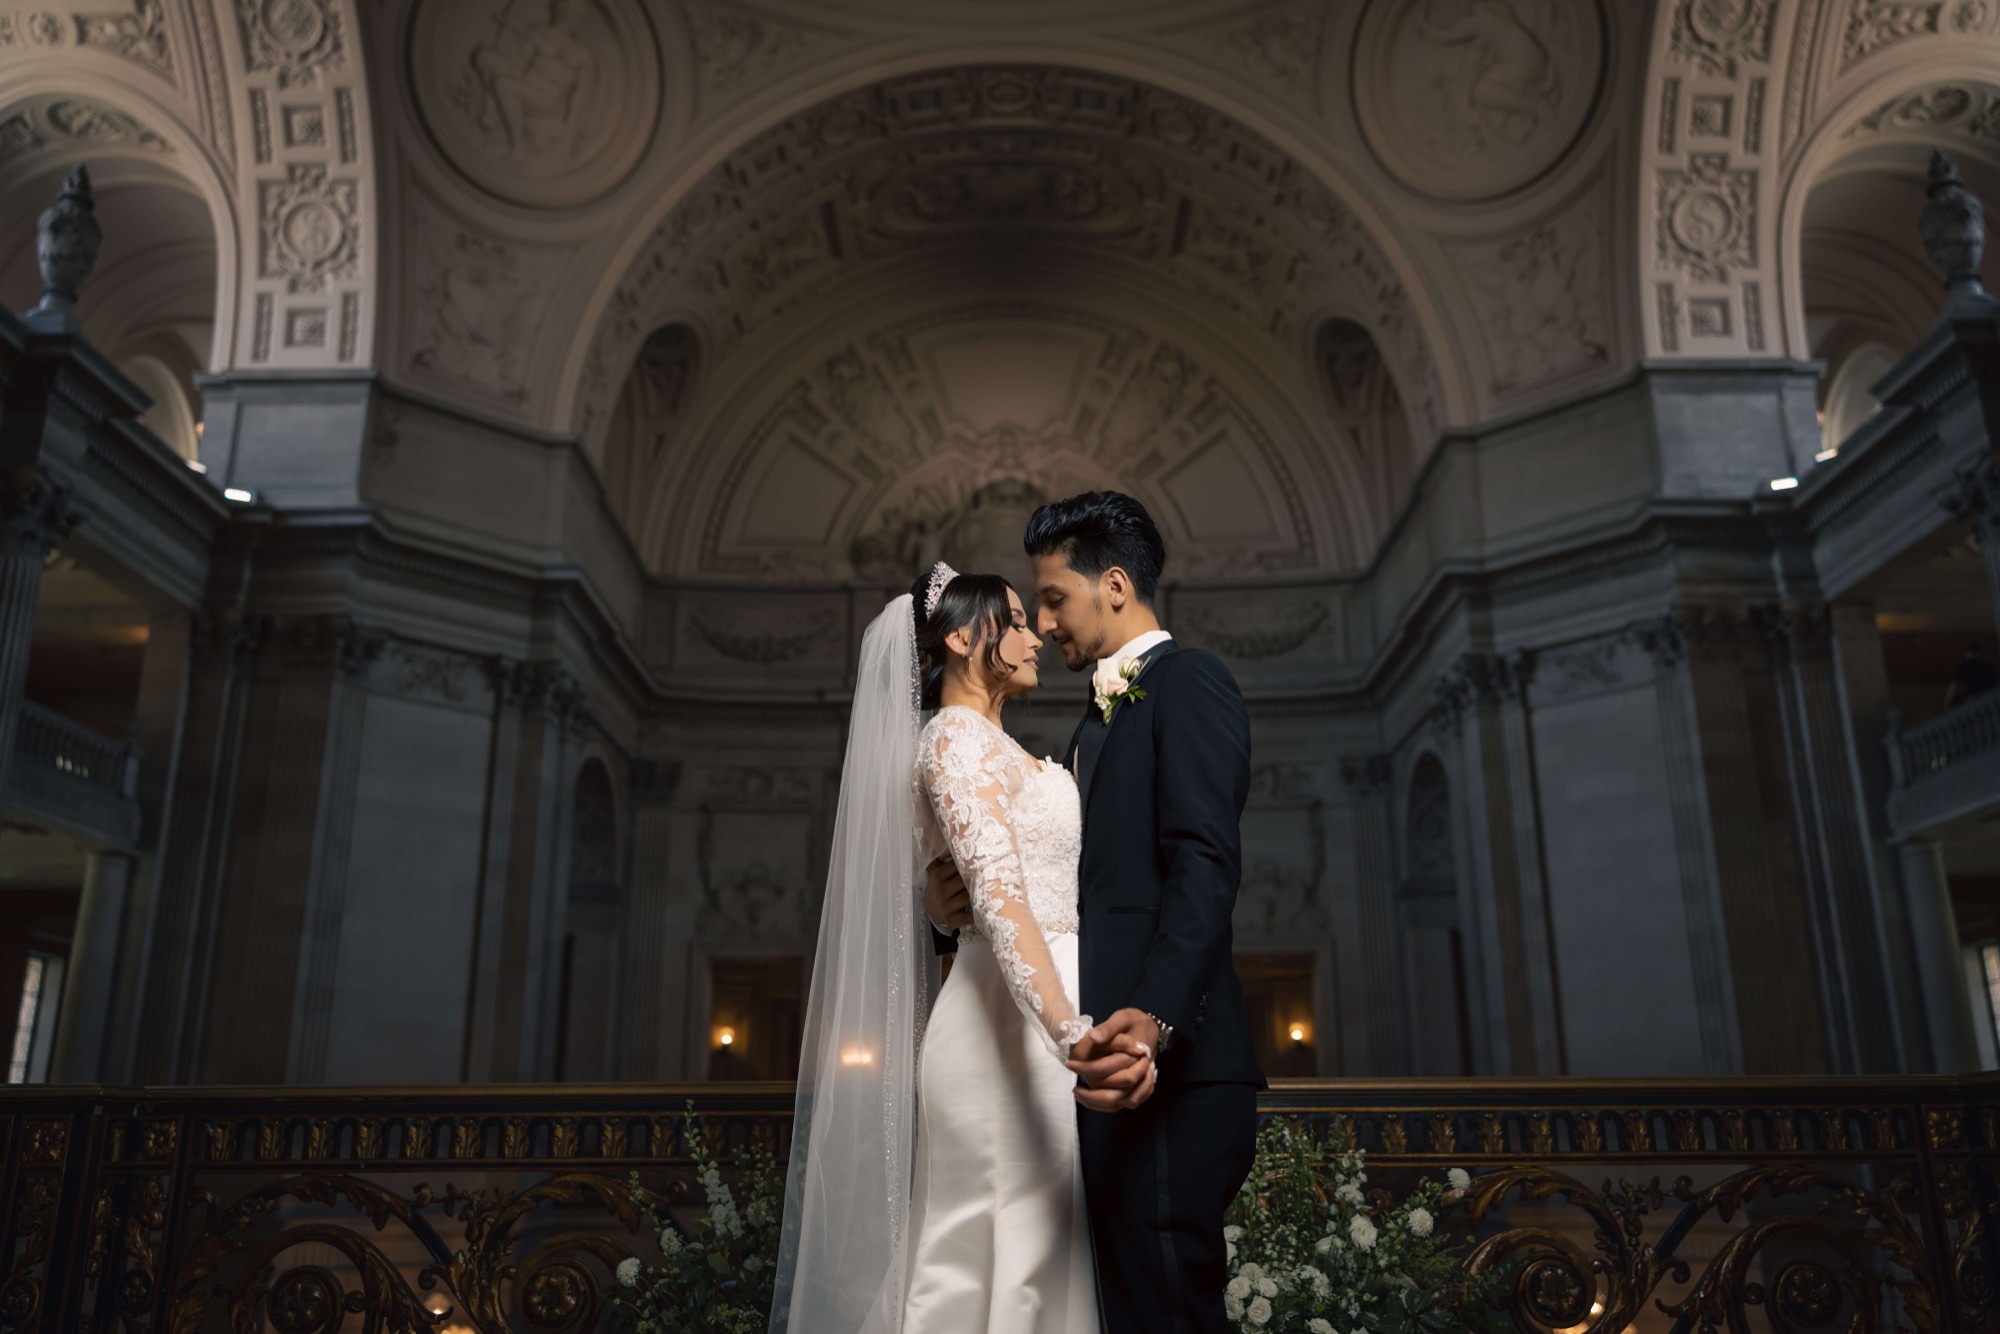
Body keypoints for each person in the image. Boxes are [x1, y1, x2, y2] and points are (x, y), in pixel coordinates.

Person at [927, 490, 1264, 1333]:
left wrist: (1150, 1021)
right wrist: (949, 912)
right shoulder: (1086, 724)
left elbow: (1205, 867)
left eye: (1053, 598)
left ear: (1114, 585)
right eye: (1032, 607)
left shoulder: (1191, 683)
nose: (1043, 624)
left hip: (1168, 1066)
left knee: (1168, 1301)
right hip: (1094, 1067)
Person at [771, 560, 1119, 1333]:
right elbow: (997, 900)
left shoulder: (1007, 750)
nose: (1038, 637)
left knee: (1039, 1260)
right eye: (1019, 621)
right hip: (1008, 1027)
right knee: (995, 1266)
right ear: (963, 638)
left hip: (1038, 1015)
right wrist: (1067, 1027)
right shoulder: (954, 743)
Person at [1944, 643, 1997, 710]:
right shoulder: (1987, 666)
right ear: (1979, 653)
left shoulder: (1964, 666)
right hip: (1988, 699)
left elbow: (1954, 686)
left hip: (1973, 699)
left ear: (1967, 653)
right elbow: (1995, 684)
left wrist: (1947, 702)